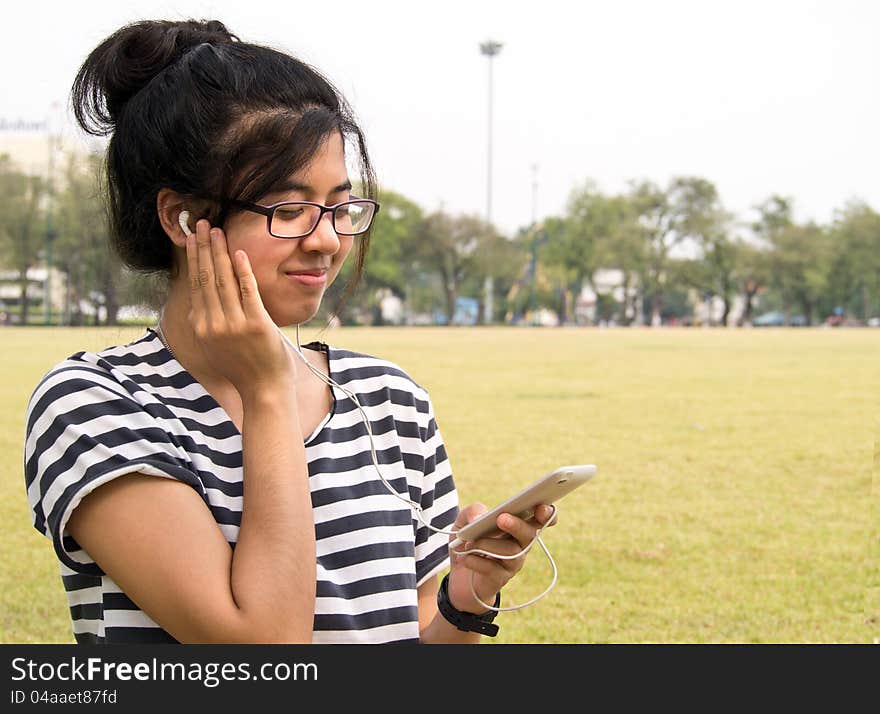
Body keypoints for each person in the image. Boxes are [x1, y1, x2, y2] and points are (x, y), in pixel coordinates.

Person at [23, 19, 557, 644]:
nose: (327, 239)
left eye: (338, 205)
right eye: (287, 209)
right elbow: (263, 650)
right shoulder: (95, 405)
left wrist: (466, 598)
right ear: (182, 217)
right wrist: (269, 393)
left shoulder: (389, 398)